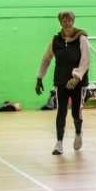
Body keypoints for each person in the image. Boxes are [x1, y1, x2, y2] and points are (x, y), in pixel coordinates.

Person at [36, 10, 90, 155]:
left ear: (74, 20)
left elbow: (85, 61)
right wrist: (39, 77)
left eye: (70, 20)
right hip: (61, 81)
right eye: (64, 20)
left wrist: (76, 77)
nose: (68, 23)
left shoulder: (81, 38)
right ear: (60, 22)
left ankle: (78, 132)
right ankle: (59, 142)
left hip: (78, 83)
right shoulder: (56, 40)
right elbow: (46, 59)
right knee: (61, 111)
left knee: (76, 113)